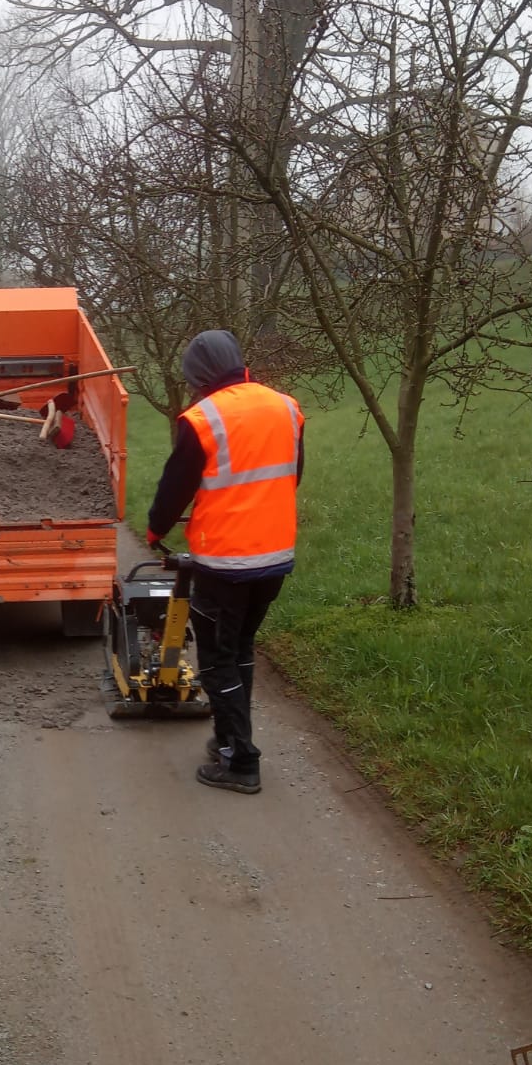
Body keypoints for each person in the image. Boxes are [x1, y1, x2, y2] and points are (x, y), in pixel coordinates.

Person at [146, 330, 304, 795]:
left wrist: (155, 530)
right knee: (239, 650)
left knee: (217, 661)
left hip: (225, 563)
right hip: (275, 557)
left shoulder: (202, 419)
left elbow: (175, 488)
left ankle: (241, 760)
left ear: (199, 376)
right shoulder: (286, 407)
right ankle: (227, 739)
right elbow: (292, 475)